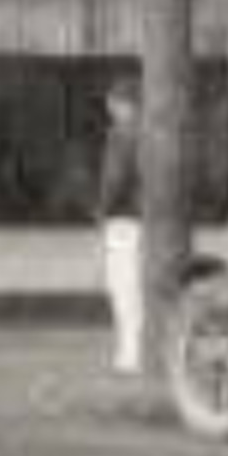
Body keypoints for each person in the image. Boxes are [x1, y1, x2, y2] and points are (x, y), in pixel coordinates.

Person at [95, 79, 145, 376]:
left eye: (112, 103)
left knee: (122, 287)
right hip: (143, 219)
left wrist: (102, 209)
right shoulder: (148, 131)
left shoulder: (121, 135)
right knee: (137, 289)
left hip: (124, 220)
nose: (109, 109)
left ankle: (129, 354)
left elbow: (115, 177)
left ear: (121, 103)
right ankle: (136, 350)